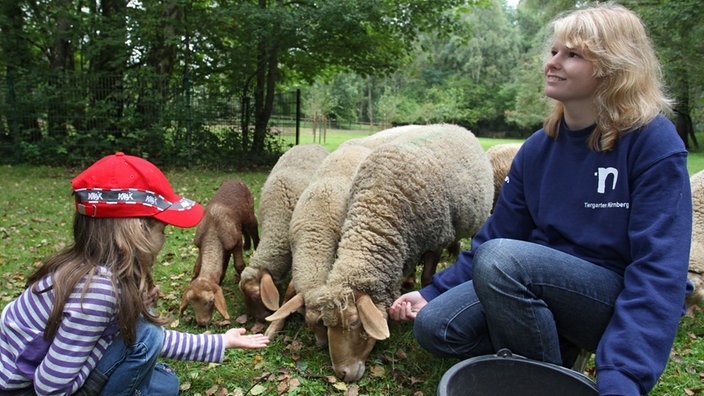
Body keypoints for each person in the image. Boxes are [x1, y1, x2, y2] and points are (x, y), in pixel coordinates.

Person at [389, 3, 692, 395]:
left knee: (502, 261)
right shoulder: (538, 148)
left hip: (606, 297)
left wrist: (623, 379)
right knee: (436, 326)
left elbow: (659, 270)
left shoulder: (652, 143)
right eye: (554, 52)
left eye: (573, 54)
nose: (553, 62)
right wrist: (433, 291)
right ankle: (557, 354)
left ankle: (547, 382)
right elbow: (496, 234)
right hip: (532, 281)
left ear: (614, 68)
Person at [0, 152, 270, 395]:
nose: (164, 240)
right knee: (146, 340)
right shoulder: (97, 292)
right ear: (137, 231)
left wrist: (222, 342)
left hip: (53, 371)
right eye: (161, 231)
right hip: (28, 389)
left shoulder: (93, 269)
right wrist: (114, 336)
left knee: (166, 384)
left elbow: (134, 335)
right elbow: (49, 387)